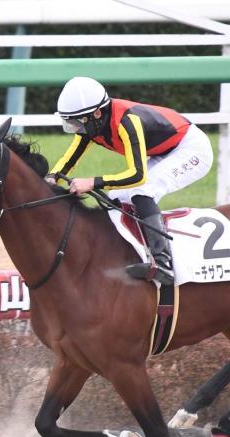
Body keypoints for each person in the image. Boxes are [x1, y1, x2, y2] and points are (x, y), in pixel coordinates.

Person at [49, 76, 213, 285]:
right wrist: (52, 177)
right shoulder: (91, 124)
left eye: (75, 122)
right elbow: (70, 157)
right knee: (116, 195)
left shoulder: (127, 122)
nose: (74, 128)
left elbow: (137, 175)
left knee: (142, 191)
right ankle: (128, 253)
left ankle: (163, 263)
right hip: (164, 151)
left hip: (191, 149)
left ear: (97, 113)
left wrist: (93, 182)